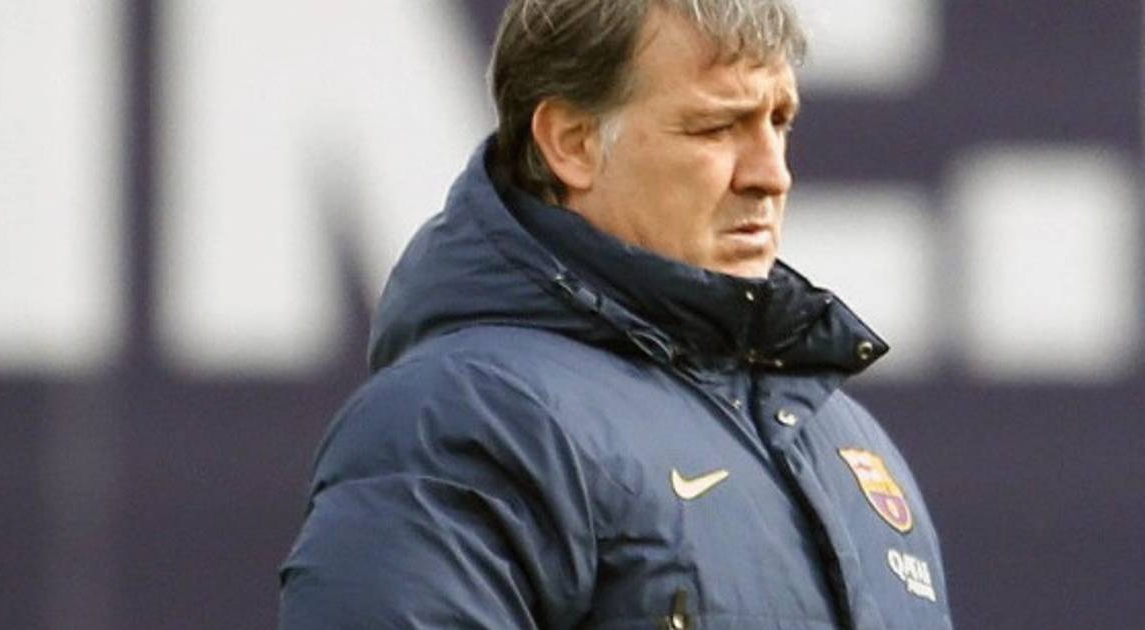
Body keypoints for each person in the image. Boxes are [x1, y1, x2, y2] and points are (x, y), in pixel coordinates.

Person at [279, 1, 953, 628]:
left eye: (778, 122)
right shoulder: (455, 421)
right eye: (717, 127)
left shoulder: (845, 443)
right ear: (571, 142)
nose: (770, 174)